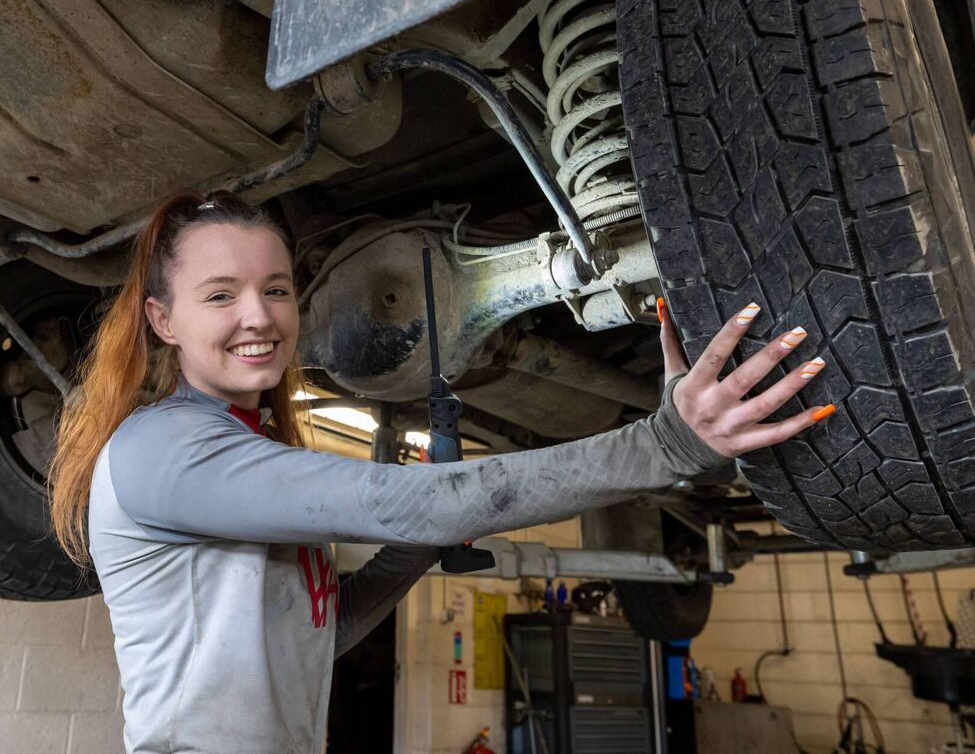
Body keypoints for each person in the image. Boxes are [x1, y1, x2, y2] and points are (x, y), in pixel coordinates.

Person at [48, 191, 833, 754]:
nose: (260, 316)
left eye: (277, 290)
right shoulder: (164, 450)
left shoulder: (237, 439)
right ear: (162, 319)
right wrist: (667, 444)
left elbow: (321, 635)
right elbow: (403, 505)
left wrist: (416, 547)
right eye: (221, 295)